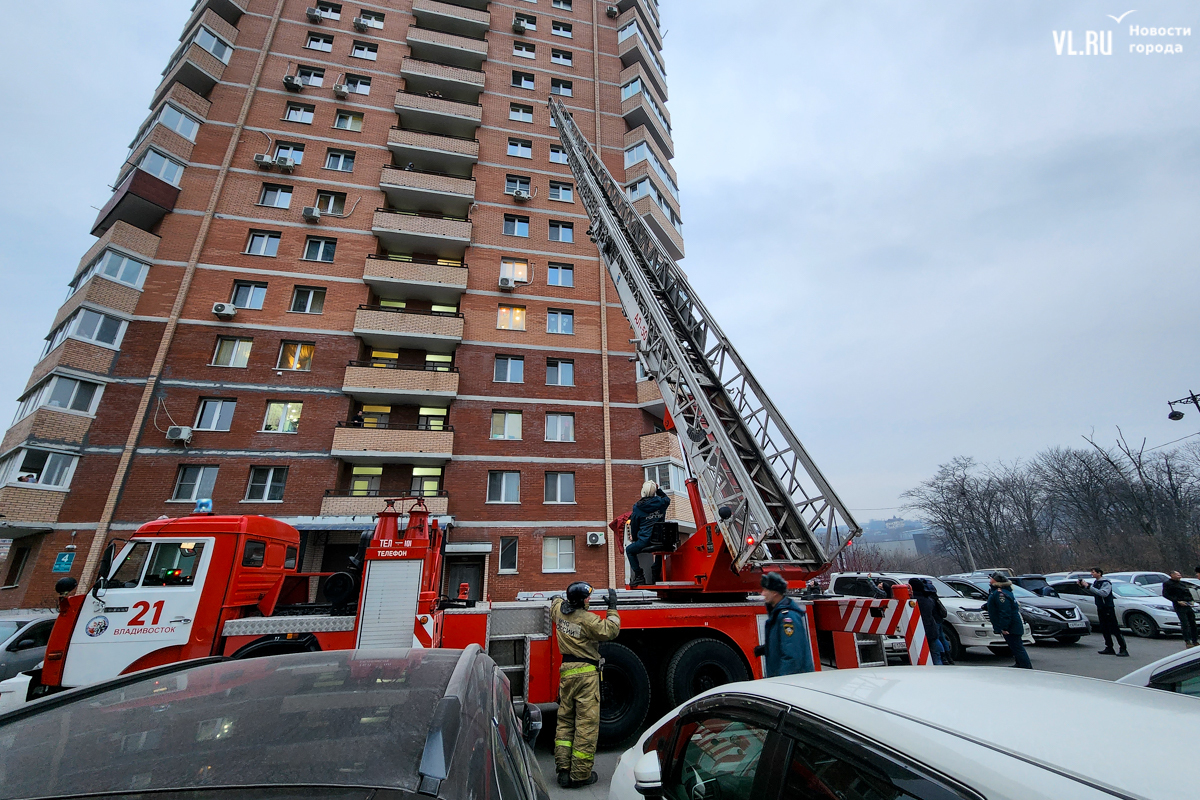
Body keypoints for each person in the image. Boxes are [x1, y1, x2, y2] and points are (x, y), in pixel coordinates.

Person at [550, 582, 620, 789]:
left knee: (565, 721)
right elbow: (611, 630)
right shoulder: (588, 620)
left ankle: (563, 769)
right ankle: (580, 775)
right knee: (585, 725)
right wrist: (613, 608)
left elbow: (555, 602)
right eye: (587, 597)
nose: (589, 600)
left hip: (567, 674)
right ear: (581, 601)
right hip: (586, 676)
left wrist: (556, 598)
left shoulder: (559, 612)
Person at [753, 572, 814, 677]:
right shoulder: (778, 615)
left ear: (775, 593)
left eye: (766, 590)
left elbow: (792, 656)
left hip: (792, 685)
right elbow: (785, 644)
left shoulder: (787, 618)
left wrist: (779, 684)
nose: (763, 594)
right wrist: (767, 649)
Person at [625, 481, 670, 587]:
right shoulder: (662, 503)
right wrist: (659, 490)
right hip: (660, 539)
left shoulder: (638, 507)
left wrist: (634, 538)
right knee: (659, 549)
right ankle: (656, 572)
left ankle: (639, 575)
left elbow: (634, 525)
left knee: (629, 550)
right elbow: (667, 498)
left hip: (645, 541)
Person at [1079, 567, 1128, 657]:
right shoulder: (1096, 582)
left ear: (1099, 573)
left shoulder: (1106, 582)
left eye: (1093, 572)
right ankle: (1109, 647)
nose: (1091, 574)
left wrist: (1089, 586)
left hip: (1108, 607)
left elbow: (1103, 593)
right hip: (1100, 607)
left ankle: (1123, 648)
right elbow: (1094, 593)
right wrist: (1083, 586)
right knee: (1104, 628)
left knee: (1114, 628)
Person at [987, 573, 1032, 669]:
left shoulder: (1001, 594)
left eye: (991, 578)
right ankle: (1019, 664)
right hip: (1012, 624)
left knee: (1017, 647)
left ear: (996, 580)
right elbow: (996, 605)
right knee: (1014, 647)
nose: (990, 579)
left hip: (1012, 626)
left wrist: (1004, 627)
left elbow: (1005, 612)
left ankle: (1026, 666)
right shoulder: (998, 592)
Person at [908, 578, 950, 665]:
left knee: (927, 657)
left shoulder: (912, 601)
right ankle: (945, 658)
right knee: (936, 654)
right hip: (932, 629)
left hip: (922, 632)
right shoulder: (929, 599)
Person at [1162, 571, 1198, 648]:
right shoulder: (1168, 584)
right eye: (1178, 575)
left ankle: (1195, 640)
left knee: (1193, 623)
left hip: (1187, 604)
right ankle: (1187, 641)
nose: (1180, 576)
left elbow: (1187, 592)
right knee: (1185, 623)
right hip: (1179, 605)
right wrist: (1177, 601)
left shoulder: (1182, 583)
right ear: (1172, 575)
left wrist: (1191, 600)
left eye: (1180, 575)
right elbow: (1166, 594)